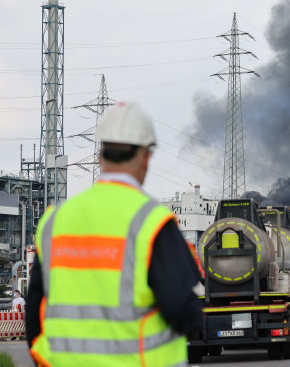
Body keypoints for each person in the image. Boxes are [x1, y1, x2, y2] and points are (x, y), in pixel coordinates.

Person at [26, 102, 203, 366]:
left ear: (100, 155)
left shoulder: (55, 221)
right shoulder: (152, 222)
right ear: (146, 157)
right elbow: (183, 310)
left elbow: (34, 316)